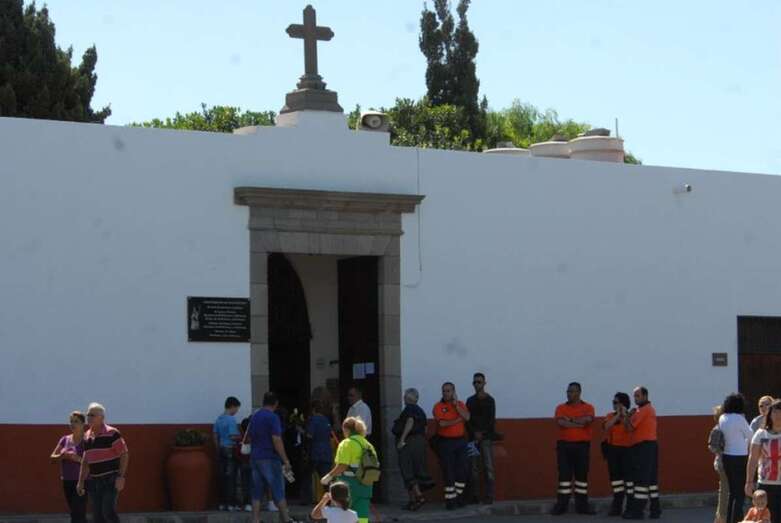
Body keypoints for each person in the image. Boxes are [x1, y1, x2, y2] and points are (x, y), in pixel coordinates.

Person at [248, 392, 301, 523]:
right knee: (277, 488)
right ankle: (286, 519)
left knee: (257, 490)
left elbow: (249, 436)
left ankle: (255, 519)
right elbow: (276, 439)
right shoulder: (273, 417)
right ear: (276, 403)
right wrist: (286, 460)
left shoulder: (254, 417)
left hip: (255, 457)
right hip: (270, 457)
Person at [76, 403, 129, 523]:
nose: (89, 418)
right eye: (88, 415)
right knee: (97, 516)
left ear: (102, 418)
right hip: (94, 481)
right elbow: (85, 460)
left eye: (92, 415)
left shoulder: (112, 433)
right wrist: (80, 482)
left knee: (108, 512)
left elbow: (124, 454)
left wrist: (121, 477)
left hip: (110, 479)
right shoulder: (86, 436)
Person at [551, 382, 596, 516]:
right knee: (564, 478)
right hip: (564, 446)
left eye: (572, 391)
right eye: (568, 391)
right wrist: (577, 422)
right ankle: (561, 506)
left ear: (579, 392)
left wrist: (570, 420)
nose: (569, 394)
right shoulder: (560, 407)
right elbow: (561, 423)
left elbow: (586, 421)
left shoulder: (588, 407)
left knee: (581, 478)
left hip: (582, 446)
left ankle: (582, 507)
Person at [321, 417, 376, 523]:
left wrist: (328, 476)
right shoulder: (368, 444)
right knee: (362, 518)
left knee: (342, 515)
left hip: (349, 486)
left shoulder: (346, 443)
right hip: (366, 486)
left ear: (346, 429)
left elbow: (342, 465)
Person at [622, 386, 661, 520]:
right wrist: (628, 417)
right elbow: (628, 428)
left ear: (645, 396)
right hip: (646, 447)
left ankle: (638, 511)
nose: (635, 398)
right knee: (651, 481)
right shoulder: (641, 410)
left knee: (641, 480)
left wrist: (626, 416)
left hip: (644, 447)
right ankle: (655, 510)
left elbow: (630, 427)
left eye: (638, 396)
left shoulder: (644, 410)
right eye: (634, 396)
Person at [394, 387, 434, 511]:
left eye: (405, 395)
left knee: (407, 469)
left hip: (409, 442)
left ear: (408, 397)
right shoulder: (421, 411)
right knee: (415, 469)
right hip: (420, 441)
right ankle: (412, 501)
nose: (404, 397)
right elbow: (426, 429)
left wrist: (402, 439)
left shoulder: (409, 408)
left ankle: (419, 496)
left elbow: (410, 421)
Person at [433, 382, 471, 509]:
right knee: (448, 471)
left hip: (460, 441)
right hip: (446, 442)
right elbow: (442, 424)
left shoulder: (460, 404)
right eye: (444, 391)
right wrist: (458, 420)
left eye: (448, 391)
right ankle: (451, 501)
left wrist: (457, 407)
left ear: (454, 392)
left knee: (463, 471)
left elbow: (467, 417)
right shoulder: (438, 406)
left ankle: (459, 497)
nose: (446, 393)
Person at [718, 393, 753, 523]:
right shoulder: (739, 418)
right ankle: (737, 519)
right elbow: (751, 435)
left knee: (732, 492)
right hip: (740, 457)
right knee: (740, 494)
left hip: (726, 456)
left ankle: (729, 520)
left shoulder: (722, 417)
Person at [746, 399, 781, 523]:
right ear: (769, 415)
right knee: (764, 519)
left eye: (780, 412)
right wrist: (749, 482)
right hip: (766, 485)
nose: (778, 416)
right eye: (775, 412)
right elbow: (753, 459)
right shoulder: (761, 434)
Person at [50, 411, 88, 523]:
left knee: (78, 511)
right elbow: (52, 458)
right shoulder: (64, 439)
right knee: (74, 511)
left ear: (83, 424)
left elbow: (93, 463)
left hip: (83, 480)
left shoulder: (88, 440)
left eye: (76, 421)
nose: (72, 424)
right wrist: (62, 456)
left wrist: (78, 459)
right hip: (67, 480)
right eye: (71, 421)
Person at [466, 372, 497, 505]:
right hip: (472, 439)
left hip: (486, 439)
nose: (477, 384)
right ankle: (475, 496)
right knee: (473, 467)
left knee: (488, 466)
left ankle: (489, 496)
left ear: (484, 383)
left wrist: (482, 434)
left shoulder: (490, 400)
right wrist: (474, 433)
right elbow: (467, 420)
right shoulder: (470, 401)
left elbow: (491, 420)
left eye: (479, 382)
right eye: (475, 382)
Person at [602, 392, 633, 517]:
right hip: (612, 450)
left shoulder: (631, 415)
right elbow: (606, 427)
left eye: (616, 402)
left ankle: (630, 506)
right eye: (613, 402)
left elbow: (629, 428)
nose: (613, 404)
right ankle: (617, 506)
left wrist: (624, 415)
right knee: (616, 480)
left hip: (627, 451)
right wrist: (617, 415)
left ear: (623, 403)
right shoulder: (610, 415)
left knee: (629, 481)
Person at [301, 400, 334, 504]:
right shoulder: (326, 420)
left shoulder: (313, 420)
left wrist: (301, 431)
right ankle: (329, 500)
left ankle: (306, 500)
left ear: (313, 409)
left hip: (315, 452)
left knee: (307, 476)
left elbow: (310, 436)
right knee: (326, 478)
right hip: (326, 452)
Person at [214, 396, 242, 511]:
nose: (237, 411)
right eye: (237, 408)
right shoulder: (231, 419)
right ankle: (231, 504)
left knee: (222, 477)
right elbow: (232, 436)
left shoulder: (218, 419)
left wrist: (218, 448)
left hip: (221, 448)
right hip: (230, 449)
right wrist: (241, 438)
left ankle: (222, 503)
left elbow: (215, 436)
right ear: (232, 406)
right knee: (231, 477)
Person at [709, 405, 729, 523]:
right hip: (722, 462)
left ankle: (721, 517)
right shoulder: (718, 429)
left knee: (725, 490)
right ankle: (721, 518)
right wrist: (723, 449)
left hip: (724, 462)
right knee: (725, 490)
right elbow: (712, 446)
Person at [238, 416, 253, 512]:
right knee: (252, 484)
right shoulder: (252, 437)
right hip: (252, 462)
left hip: (243, 463)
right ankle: (250, 503)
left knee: (244, 484)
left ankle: (245, 503)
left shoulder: (241, 437)